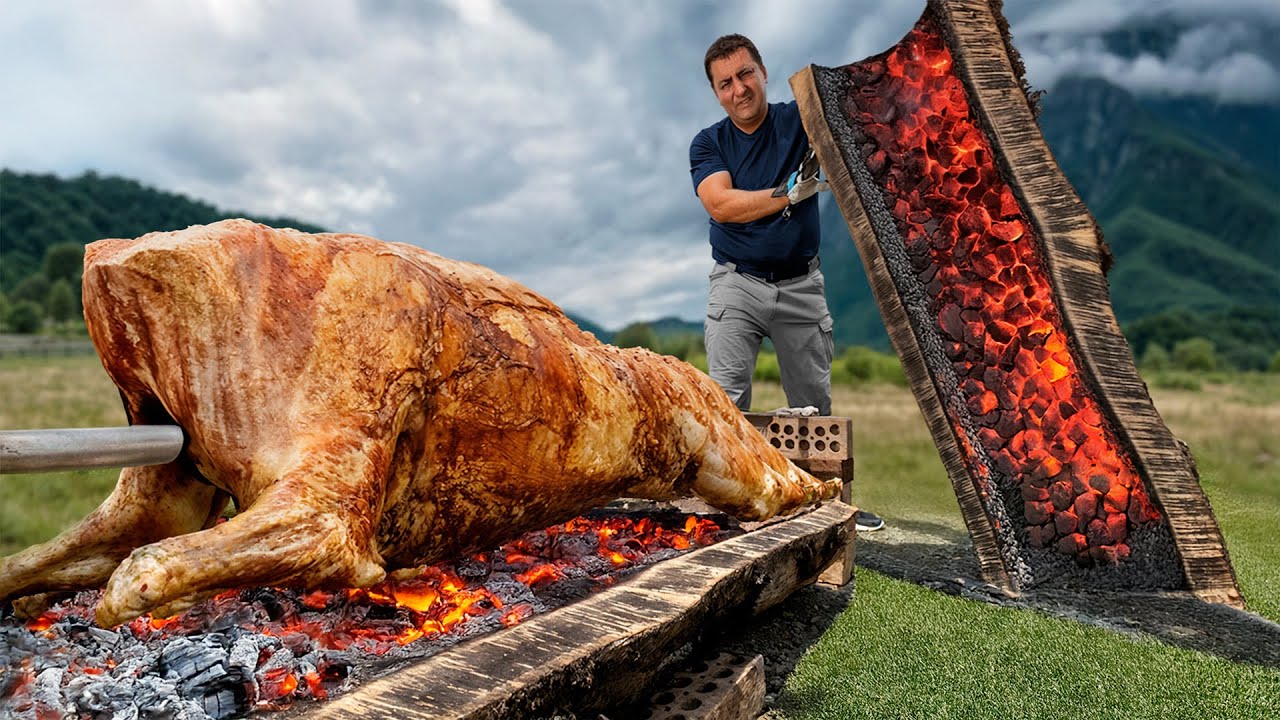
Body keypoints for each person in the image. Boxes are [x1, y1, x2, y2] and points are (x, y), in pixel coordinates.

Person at [690, 34, 885, 532]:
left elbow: (854, 123)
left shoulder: (799, 119)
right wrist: (790, 194)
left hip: (802, 285)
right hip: (736, 283)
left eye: (745, 74)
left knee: (815, 412)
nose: (739, 89)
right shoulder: (709, 143)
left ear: (762, 71)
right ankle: (729, 512)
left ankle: (830, 510)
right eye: (726, 83)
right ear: (716, 93)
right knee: (726, 404)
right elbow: (721, 205)